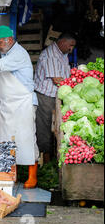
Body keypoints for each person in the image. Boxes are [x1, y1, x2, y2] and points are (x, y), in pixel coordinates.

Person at [0, 25, 39, 189]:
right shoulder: (7, 53)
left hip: (23, 104)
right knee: (7, 141)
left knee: (27, 139)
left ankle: (33, 176)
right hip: (9, 106)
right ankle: (12, 174)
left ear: (9, 40)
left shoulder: (18, 53)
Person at [34, 33, 76, 163]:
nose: (71, 49)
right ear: (62, 42)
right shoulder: (51, 55)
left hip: (57, 96)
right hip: (46, 97)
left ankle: (53, 158)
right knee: (45, 127)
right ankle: (44, 160)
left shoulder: (62, 54)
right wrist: (75, 85)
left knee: (56, 127)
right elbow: (57, 80)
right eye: (70, 45)